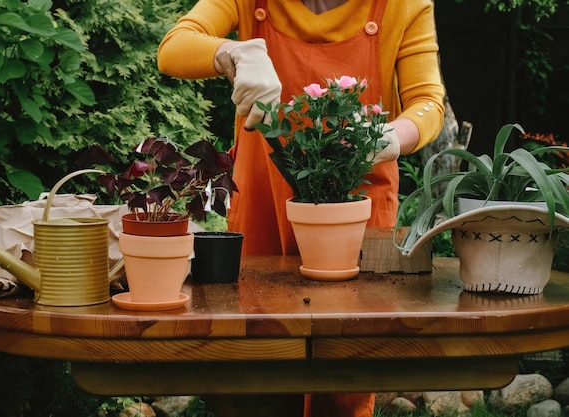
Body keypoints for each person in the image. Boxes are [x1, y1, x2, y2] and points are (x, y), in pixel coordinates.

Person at [158, 0, 445, 415]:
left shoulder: (404, 6)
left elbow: (428, 102)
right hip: (261, 200)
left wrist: (389, 137)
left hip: (355, 202)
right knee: (255, 361)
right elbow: (173, 47)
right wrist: (232, 53)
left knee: (345, 369)